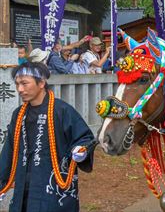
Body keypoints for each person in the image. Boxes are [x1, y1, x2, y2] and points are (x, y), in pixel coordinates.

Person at [0, 61, 95, 211]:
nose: (20, 89)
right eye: (17, 84)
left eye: (24, 83)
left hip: (52, 189)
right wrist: (2, 183)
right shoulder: (19, 114)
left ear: (41, 82)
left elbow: (85, 138)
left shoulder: (62, 110)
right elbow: (9, 150)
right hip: (24, 187)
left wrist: (81, 150)